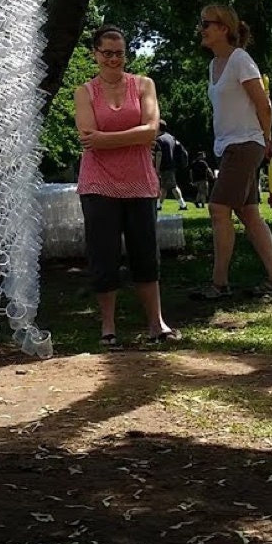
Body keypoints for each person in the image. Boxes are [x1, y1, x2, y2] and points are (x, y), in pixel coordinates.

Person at [73, 26, 178, 349]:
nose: (114, 59)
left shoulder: (144, 85)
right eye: (107, 53)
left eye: (119, 52)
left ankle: (156, 322)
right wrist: (129, 136)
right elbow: (88, 136)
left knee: (146, 254)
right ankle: (108, 326)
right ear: (95, 54)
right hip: (98, 184)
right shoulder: (84, 92)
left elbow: (151, 131)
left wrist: (108, 139)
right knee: (103, 255)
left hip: (140, 182)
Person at [191, 4, 272, 299]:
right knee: (249, 214)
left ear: (224, 28)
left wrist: (266, 140)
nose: (202, 29)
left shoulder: (240, 60)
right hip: (230, 146)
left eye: (206, 23)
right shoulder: (214, 65)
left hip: (245, 145)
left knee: (218, 208)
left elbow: (265, 105)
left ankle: (218, 284)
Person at [154, 120, 194, 213]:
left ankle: (182, 205)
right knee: (165, 186)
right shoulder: (171, 137)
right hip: (172, 165)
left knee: (172, 186)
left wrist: (157, 169)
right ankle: (158, 205)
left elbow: (159, 154)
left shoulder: (159, 139)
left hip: (165, 166)